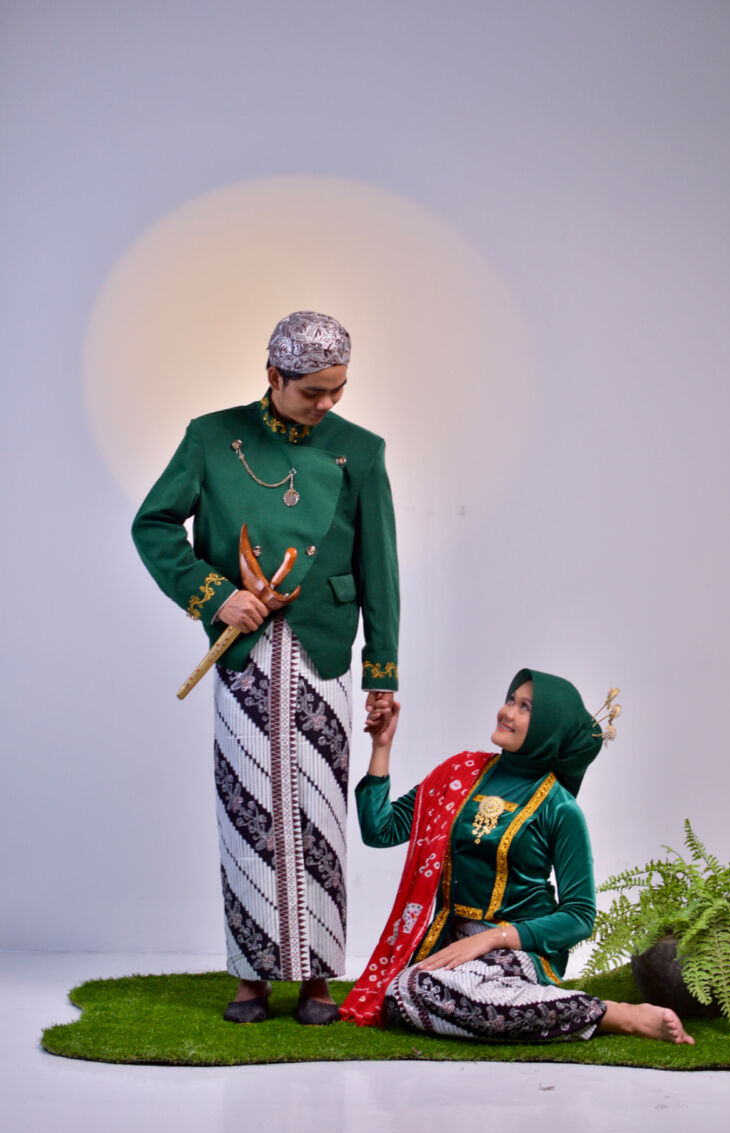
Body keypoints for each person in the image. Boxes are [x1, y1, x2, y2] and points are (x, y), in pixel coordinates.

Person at [132, 311, 399, 1025]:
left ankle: (317, 979)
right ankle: (251, 976)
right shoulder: (210, 437)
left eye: (338, 390)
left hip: (326, 648)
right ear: (274, 375)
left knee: (321, 812)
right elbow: (153, 524)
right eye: (313, 391)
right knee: (245, 806)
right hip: (244, 651)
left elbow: (380, 566)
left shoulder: (362, 450)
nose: (327, 404)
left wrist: (382, 673)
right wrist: (214, 595)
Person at [340, 669, 694, 1045]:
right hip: (449, 944)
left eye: (525, 707)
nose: (507, 712)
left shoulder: (559, 807)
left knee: (426, 990)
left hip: (520, 948)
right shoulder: (460, 772)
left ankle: (614, 1015)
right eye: (511, 700)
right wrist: (381, 746)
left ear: (548, 729)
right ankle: (536, 1005)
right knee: (402, 991)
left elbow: (579, 916)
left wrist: (493, 940)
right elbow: (381, 830)